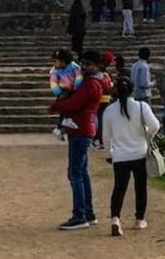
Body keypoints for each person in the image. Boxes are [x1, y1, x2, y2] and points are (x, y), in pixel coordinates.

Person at [49, 49, 104, 231]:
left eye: (89, 64)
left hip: (80, 130)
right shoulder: (90, 82)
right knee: (82, 172)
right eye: (84, 63)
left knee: (75, 174)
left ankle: (79, 215)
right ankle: (88, 213)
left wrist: (56, 106)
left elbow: (75, 104)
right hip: (82, 129)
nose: (85, 67)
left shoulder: (91, 84)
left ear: (97, 66)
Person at [103, 74, 160, 237]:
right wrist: (147, 134)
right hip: (139, 153)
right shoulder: (141, 107)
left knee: (119, 189)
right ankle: (139, 219)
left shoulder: (109, 111)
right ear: (131, 90)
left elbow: (106, 138)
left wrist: (110, 154)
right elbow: (155, 125)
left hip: (120, 156)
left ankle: (115, 219)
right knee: (140, 187)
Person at [49, 48, 83, 140]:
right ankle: (64, 123)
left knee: (67, 108)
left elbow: (79, 76)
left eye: (56, 61)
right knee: (66, 108)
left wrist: (76, 86)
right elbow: (53, 82)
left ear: (63, 61)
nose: (54, 64)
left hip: (72, 90)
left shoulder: (74, 67)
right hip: (63, 91)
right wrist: (58, 92)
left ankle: (59, 127)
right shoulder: (55, 71)